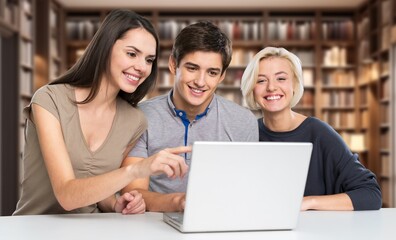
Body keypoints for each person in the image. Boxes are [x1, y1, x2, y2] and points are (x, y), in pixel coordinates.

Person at [13, 9, 190, 215]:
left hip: (94, 229)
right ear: (105, 48)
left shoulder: (134, 120)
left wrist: (116, 204)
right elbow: (67, 195)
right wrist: (137, 169)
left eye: (149, 60)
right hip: (33, 228)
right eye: (132, 54)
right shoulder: (49, 100)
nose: (142, 67)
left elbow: (98, 184)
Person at [122, 21, 258, 212]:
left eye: (212, 72)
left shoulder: (243, 122)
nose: (200, 82)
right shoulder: (140, 117)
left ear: (221, 77)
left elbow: (248, 189)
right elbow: (134, 193)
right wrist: (180, 202)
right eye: (192, 68)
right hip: (153, 224)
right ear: (173, 64)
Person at [240, 46, 382, 211]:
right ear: (252, 88)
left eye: (281, 78)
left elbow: (371, 195)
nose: (271, 87)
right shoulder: (247, 135)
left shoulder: (319, 133)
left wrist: (308, 202)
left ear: (294, 85)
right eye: (261, 80)